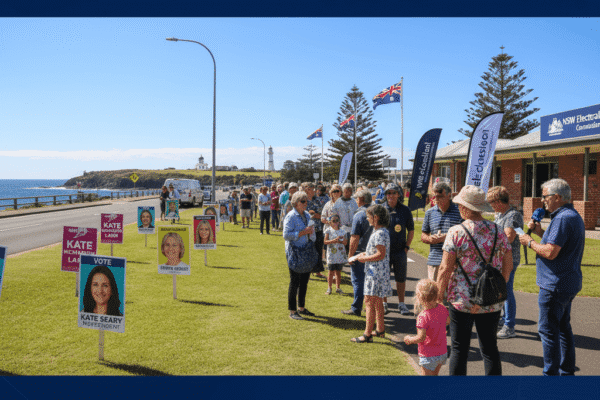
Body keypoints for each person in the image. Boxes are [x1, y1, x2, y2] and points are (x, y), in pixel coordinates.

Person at [436, 185, 512, 375]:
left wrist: (439, 297)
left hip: (461, 299)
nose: (459, 208)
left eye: (461, 205)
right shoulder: (498, 230)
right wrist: (498, 285)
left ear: (466, 208)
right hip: (490, 299)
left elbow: (445, 268)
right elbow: (508, 264)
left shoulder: (456, 232)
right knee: (490, 348)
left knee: (459, 348)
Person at [518, 178, 584, 376]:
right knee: (563, 328)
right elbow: (556, 245)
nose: (542, 200)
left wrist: (529, 241)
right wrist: (539, 232)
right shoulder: (570, 215)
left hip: (554, 284)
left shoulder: (563, 218)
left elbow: (550, 252)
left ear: (557, 197)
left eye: (545, 196)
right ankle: (566, 371)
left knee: (548, 332)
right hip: (567, 282)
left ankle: (550, 375)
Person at [350, 204, 391, 343]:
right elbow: (378, 252)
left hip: (375, 273)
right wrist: (365, 254)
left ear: (376, 217)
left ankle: (367, 334)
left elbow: (381, 254)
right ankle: (380, 330)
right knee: (378, 301)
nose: (367, 219)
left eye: (368, 216)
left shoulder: (379, 233)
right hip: (379, 272)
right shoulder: (381, 231)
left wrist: (363, 258)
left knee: (369, 302)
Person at [487, 185, 523, 340]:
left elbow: (508, 238)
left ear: (499, 201)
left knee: (506, 292)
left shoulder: (512, 216)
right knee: (501, 292)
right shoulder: (501, 215)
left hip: (508, 260)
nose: (491, 206)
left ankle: (509, 326)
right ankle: (504, 319)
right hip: (499, 260)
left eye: (492, 203)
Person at [403, 279, 449, 376]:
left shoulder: (423, 316)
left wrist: (410, 339)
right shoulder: (442, 308)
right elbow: (448, 321)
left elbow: (421, 337)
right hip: (442, 352)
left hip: (428, 355)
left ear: (419, 297)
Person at [283, 191, 317, 320]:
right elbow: (286, 235)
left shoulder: (307, 215)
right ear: (296, 203)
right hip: (295, 252)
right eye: (303, 201)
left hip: (306, 250)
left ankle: (301, 308)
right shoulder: (290, 216)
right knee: (294, 281)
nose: (305, 203)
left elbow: (311, 232)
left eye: (306, 201)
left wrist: (311, 234)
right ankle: (292, 311)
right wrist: (302, 233)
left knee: (304, 281)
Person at [382, 183, 414, 315]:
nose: (391, 195)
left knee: (400, 279)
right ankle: (384, 304)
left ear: (399, 194)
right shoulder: (381, 209)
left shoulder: (405, 210)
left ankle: (401, 304)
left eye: (393, 193)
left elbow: (411, 230)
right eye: (388, 193)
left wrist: (406, 247)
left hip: (400, 251)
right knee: (384, 278)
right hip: (383, 251)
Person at [421, 182, 463, 282]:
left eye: (440, 196)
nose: (437, 200)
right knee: (434, 295)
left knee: (451, 295)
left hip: (454, 262)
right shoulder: (430, 212)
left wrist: (447, 238)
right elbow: (423, 235)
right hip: (434, 260)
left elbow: (466, 235)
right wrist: (430, 239)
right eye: (435, 197)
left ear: (449, 195)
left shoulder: (460, 212)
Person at [342, 189, 373, 317]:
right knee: (370, 282)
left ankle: (356, 308)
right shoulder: (376, 212)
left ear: (361, 200)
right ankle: (369, 308)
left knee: (358, 281)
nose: (355, 201)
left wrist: (350, 255)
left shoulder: (359, 214)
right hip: (374, 252)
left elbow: (354, 237)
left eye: (356, 199)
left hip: (360, 252)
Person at [304, 182, 327, 279]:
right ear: (307, 189)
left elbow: (321, 213)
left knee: (318, 250)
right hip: (307, 230)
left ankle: (317, 271)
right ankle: (307, 272)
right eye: (312, 188)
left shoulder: (317, 200)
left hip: (318, 228)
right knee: (308, 250)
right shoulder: (303, 200)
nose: (315, 190)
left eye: (315, 188)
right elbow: (306, 213)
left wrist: (314, 214)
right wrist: (313, 214)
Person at [323, 214, 347, 295]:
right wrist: (334, 240)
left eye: (337, 220)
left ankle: (338, 288)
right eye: (334, 221)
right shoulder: (328, 230)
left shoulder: (343, 231)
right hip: (331, 255)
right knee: (330, 272)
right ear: (330, 223)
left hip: (340, 255)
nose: (336, 222)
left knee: (338, 272)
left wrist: (341, 241)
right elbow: (325, 242)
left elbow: (346, 243)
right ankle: (329, 288)